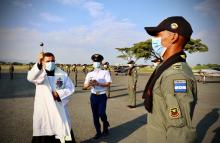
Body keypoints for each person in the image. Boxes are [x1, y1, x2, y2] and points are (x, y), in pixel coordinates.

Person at [142, 16, 197, 143]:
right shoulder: (166, 67)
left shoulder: (175, 76)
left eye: (158, 35)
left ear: (173, 37)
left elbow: (180, 130)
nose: (154, 40)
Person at [27, 52, 76, 143]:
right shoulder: (39, 73)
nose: (51, 63)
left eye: (53, 61)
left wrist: (59, 94)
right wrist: (38, 63)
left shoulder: (62, 74)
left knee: (61, 129)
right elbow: (30, 77)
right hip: (44, 109)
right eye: (48, 61)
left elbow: (71, 88)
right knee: (45, 130)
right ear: (42, 62)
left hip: (59, 108)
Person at [83, 54, 112, 139]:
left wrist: (98, 83)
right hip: (93, 96)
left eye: (98, 61)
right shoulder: (89, 74)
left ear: (101, 62)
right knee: (95, 115)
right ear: (93, 62)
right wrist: (89, 84)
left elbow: (108, 83)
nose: (96, 63)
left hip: (102, 95)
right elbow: (84, 87)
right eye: (95, 61)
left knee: (101, 113)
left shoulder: (105, 72)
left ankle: (105, 123)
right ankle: (98, 132)